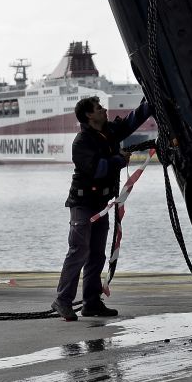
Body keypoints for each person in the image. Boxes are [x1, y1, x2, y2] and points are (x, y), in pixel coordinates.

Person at [52, 96, 151, 321]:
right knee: (79, 252)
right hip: (83, 204)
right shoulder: (82, 142)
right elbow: (96, 169)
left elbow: (130, 122)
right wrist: (119, 160)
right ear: (89, 115)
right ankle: (63, 300)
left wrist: (150, 103)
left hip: (100, 204)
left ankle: (92, 303)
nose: (104, 110)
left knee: (97, 254)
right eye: (99, 108)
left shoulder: (108, 131)